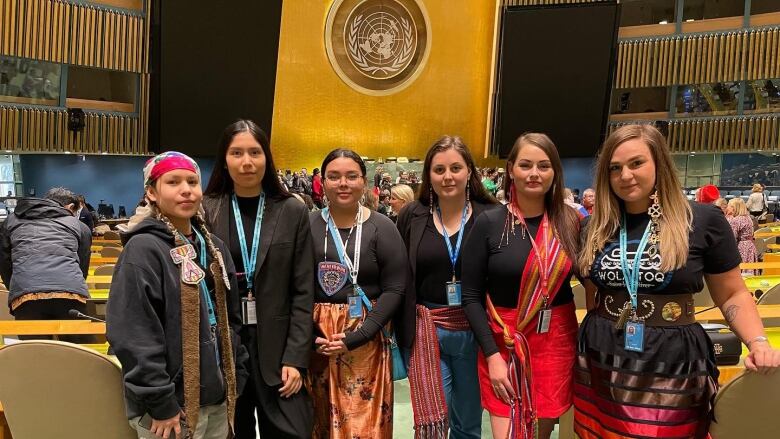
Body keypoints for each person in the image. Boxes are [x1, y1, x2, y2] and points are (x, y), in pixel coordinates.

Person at [575, 124, 780, 439]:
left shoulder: (702, 221)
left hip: (672, 359)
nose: (625, 175)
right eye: (615, 168)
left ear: (659, 164)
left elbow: (732, 294)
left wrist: (758, 342)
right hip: (603, 352)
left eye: (636, 163)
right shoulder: (595, 226)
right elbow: (593, 295)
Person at [106, 152, 249, 439]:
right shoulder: (143, 249)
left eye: (192, 182)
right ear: (151, 192)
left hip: (218, 401)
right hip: (170, 409)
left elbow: (232, 320)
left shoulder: (215, 248)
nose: (186, 190)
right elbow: (133, 333)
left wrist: (237, 373)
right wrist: (160, 401)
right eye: (173, 182)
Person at [462, 133, 580, 439]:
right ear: (511, 169)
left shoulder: (570, 222)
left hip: (554, 341)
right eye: (525, 165)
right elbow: (472, 297)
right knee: (509, 430)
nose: (534, 173)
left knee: (539, 432)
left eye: (543, 165)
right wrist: (492, 356)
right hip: (505, 342)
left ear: (554, 172)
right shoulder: (488, 223)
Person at [202, 120, 315, 438]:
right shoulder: (207, 209)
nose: (246, 161)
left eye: (255, 152)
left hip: (279, 355)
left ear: (267, 157)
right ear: (224, 159)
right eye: (236, 152)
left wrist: (296, 357)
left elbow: (303, 290)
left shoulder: (292, 210)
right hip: (227, 351)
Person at [396, 135, 497, 438]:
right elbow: (400, 273)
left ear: (469, 171)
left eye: (456, 168)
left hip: (475, 330)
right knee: (433, 421)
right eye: (439, 170)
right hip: (426, 329)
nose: (448, 176)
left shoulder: (490, 215)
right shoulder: (412, 216)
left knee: (467, 422)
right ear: (428, 175)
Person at [307, 149, 408, 439]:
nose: (343, 183)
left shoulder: (382, 227)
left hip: (367, 338)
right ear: (322, 181)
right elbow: (295, 286)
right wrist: (311, 336)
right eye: (334, 176)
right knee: (320, 420)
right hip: (318, 342)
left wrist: (359, 335)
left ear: (364, 182)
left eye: (352, 176)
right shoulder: (309, 225)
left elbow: (394, 288)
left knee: (364, 425)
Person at [0, 187, 93, 343]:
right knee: (76, 355)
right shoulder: (80, 227)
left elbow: (4, 262)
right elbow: (82, 267)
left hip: (25, 297)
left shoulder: (11, 221)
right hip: (71, 294)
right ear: (71, 208)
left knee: (35, 355)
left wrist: (18, 287)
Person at [727, 198, 759, 273]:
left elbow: (732, 238)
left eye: (729, 206)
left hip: (742, 247)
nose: (727, 208)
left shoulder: (736, 220)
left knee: (743, 272)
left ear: (734, 208)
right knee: (750, 271)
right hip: (750, 246)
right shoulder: (748, 217)